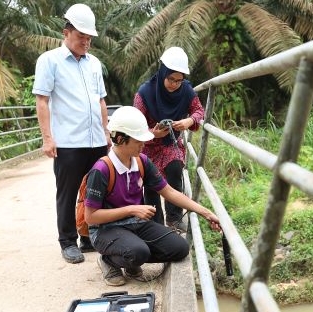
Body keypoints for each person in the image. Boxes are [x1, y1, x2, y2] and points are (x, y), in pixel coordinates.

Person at [85, 106, 221, 286]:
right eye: (138, 140)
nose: (143, 145)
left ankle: (131, 255)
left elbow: (169, 192)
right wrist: (132, 209)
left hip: (136, 224)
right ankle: (109, 261)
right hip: (105, 230)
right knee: (138, 252)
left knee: (179, 248)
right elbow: (90, 217)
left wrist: (205, 212)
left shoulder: (141, 161)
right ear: (119, 139)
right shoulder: (101, 170)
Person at [32, 3, 111, 264]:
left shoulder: (94, 64)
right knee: (67, 193)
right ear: (66, 32)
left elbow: (100, 101)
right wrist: (47, 138)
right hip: (68, 142)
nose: (86, 42)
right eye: (81, 37)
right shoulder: (49, 61)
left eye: (89, 38)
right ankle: (67, 241)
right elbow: (42, 101)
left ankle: (90, 236)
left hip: (96, 140)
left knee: (95, 192)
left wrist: (106, 131)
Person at [133, 46, 204, 231]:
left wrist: (188, 121)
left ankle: (174, 218)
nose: (174, 84)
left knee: (175, 168)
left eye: (179, 81)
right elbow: (136, 125)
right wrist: (152, 133)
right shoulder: (144, 93)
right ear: (162, 72)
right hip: (147, 145)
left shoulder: (187, 91)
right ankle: (155, 223)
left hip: (170, 142)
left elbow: (199, 110)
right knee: (150, 180)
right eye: (170, 79)